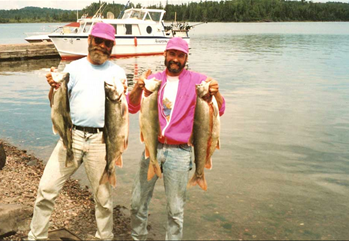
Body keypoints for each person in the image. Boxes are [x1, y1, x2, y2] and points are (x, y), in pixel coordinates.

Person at [28, 22, 127, 240]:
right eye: (98, 40)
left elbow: (122, 112)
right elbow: (55, 103)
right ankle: (36, 237)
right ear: (89, 40)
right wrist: (53, 88)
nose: (101, 46)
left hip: (102, 141)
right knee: (46, 190)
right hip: (70, 136)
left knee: (103, 199)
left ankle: (104, 237)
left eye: (107, 43)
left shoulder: (117, 72)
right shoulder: (73, 68)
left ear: (112, 46)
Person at [128, 37, 226, 240]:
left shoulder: (198, 80)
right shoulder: (153, 80)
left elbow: (221, 108)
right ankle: (137, 237)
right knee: (137, 202)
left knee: (175, 211)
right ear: (165, 55)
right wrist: (138, 87)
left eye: (180, 56)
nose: (175, 59)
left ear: (186, 58)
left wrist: (215, 93)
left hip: (180, 153)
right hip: (152, 147)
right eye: (172, 54)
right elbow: (131, 106)